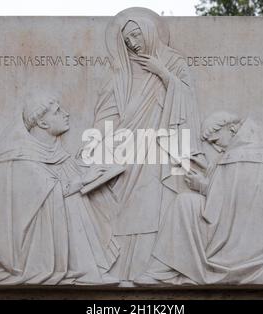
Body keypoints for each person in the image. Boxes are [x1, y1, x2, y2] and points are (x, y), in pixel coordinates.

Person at [84, 11, 205, 282]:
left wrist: (163, 74)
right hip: (127, 151)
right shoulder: (123, 72)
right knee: (127, 211)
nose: (133, 44)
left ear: (149, 31)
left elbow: (187, 103)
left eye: (136, 35)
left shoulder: (174, 62)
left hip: (162, 150)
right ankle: (124, 271)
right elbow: (108, 111)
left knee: (155, 208)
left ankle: (156, 270)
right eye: (127, 41)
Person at [137, 111, 263, 286]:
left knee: (185, 203)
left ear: (231, 128)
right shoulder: (260, 144)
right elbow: (237, 192)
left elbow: (224, 203)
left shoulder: (238, 154)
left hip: (248, 233)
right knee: (188, 203)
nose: (217, 148)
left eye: (216, 141)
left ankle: (161, 271)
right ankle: (162, 269)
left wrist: (201, 185)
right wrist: (208, 172)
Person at [0, 93, 118, 285]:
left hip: (44, 224)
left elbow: (64, 175)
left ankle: (88, 269)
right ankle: (84, 271)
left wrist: (95, 171)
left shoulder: (52, 149)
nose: (66, 114)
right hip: (19, 239)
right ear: (42, 123)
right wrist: (82, 181)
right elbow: (45, 191)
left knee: (82, 196)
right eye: (57, 111)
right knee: (72, 199)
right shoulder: (20, 154)